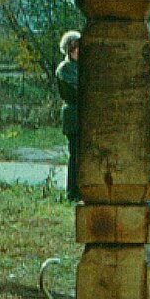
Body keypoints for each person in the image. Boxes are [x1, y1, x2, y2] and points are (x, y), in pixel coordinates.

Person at [55, 30, 82, 202]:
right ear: (71, 48)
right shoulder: (65, 68)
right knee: (75, 155)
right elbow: (77, 88)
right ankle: (72, 192)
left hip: (81, 114)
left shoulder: (77, 66)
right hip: (73, 114)